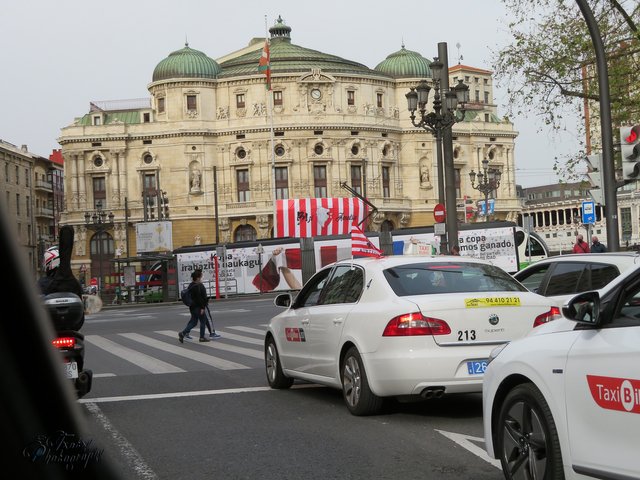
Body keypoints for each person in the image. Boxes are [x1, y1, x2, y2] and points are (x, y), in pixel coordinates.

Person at [178, 270, 211, 343]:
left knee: (193, 322)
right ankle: (202, 337)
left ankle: (183, 333)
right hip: (198, 307)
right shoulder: (198, 286)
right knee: (203, 321)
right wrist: (202, 308)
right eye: (201, 277)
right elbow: (200, 298)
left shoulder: (191, 285)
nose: (202, 278)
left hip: (192, 307)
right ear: (198, 278)